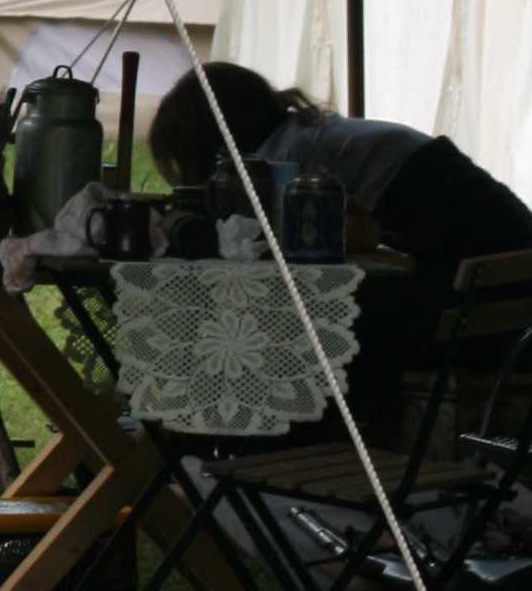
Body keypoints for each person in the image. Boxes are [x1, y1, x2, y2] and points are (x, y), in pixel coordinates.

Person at [150, 60, 532, 422]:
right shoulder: (319, 135)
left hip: (488, 326)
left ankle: (302, 447)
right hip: (506, 304)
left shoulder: (286, 162)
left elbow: (252, 251)